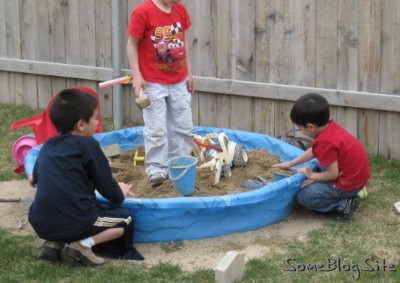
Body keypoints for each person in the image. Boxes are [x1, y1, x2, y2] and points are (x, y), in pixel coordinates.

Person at [28, 88, 144, 266]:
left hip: (40, 221)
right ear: (81, 124)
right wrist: (120, 191)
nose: (98, 121)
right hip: (75, 220)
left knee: (65, 207)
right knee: (125, 219)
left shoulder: (48, 145)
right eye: (95, 117)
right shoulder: (88, 146)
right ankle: (82, 245)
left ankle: (54, 243)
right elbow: (107, 188)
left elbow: (34, 179)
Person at [126, 0, 194, 186]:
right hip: (153, 83)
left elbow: (184, 39)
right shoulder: (143, 11)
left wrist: (189, 72)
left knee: (183, 126)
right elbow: (132, 44)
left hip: (179, 81)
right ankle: (156, 168)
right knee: (156, 128)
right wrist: (137, 75)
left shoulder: (179, 8)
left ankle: (180, 162)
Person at [273, 93, 370, 222]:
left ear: (310, 127)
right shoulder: (329, 127)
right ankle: (353, 189)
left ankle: (344, 204)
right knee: (318, 162)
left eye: (300, 128)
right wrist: (290, 163)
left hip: (348, 182)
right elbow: (314, 150)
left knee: (303, 198)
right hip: (356, 175)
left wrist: (312, 175)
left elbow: (333, 174)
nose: (300, 130)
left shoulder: (325, 142)